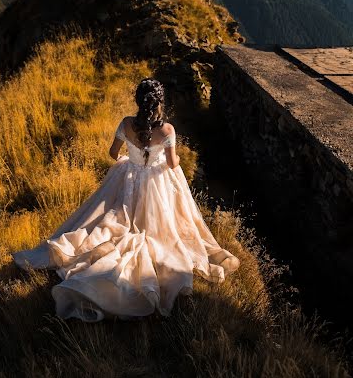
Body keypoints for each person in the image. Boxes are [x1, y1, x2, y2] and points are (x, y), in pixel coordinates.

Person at [13, 78, 240, 321]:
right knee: (165, 222)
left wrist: (129, 159)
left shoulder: (126, 124)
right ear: (160, 103)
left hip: (129, 177)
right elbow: (173, 164)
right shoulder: (167, 131)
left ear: (138, 101)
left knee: (110, 214)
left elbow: (113, 154)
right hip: (156, 184)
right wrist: (165, 160)